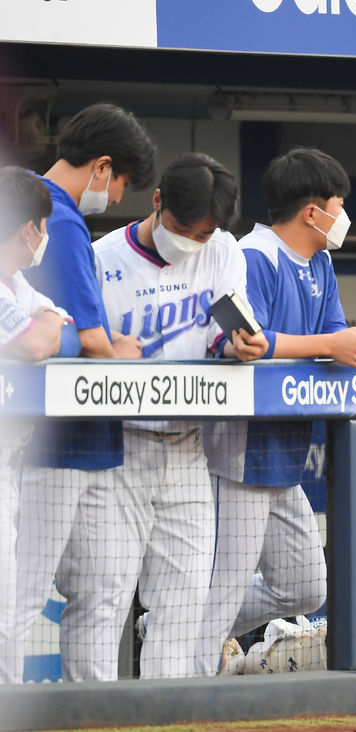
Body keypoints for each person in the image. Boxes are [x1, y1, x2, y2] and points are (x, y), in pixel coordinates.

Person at [197, 148, 356, 675]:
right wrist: (335, 342)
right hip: (240, 449)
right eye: (338, 204)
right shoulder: (252, 255)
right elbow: (245, 341)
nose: (342, 215)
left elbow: (332, 336)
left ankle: (177, 624)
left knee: (305, 585)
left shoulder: (320, 261)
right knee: (224, 588)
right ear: (311, 210)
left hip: (283, 454)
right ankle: (188, 673)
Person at [91, 153, 268, 679]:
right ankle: (94, 717)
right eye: (183, 228)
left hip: (189, 445)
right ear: (157, 201)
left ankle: (167, 715)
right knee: (106, 595)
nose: (192, 240)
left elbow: (226, 330)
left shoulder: (221, 250)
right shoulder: (103, 259)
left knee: (185, 601)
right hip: (121, 448)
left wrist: (240, 346)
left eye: (204, 230)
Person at [12, 103, 156, 683]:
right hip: (50, 444)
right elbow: (96, 341)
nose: (118, 196)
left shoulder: (58, 214)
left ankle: (90, 715)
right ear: (101, 166)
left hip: (86, 442)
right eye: (121, 181)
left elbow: (86, 333)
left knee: (102, 591)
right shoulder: (57, 216)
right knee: (19, 599)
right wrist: (110, 345)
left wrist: (106, 342)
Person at [0, 167, 81, 683]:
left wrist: (47, 326)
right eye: (41, 227)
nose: (43, 238)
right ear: (27, 227)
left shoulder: (15, 283)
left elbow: (63, 331)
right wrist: (46, 329)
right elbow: (35, 342)